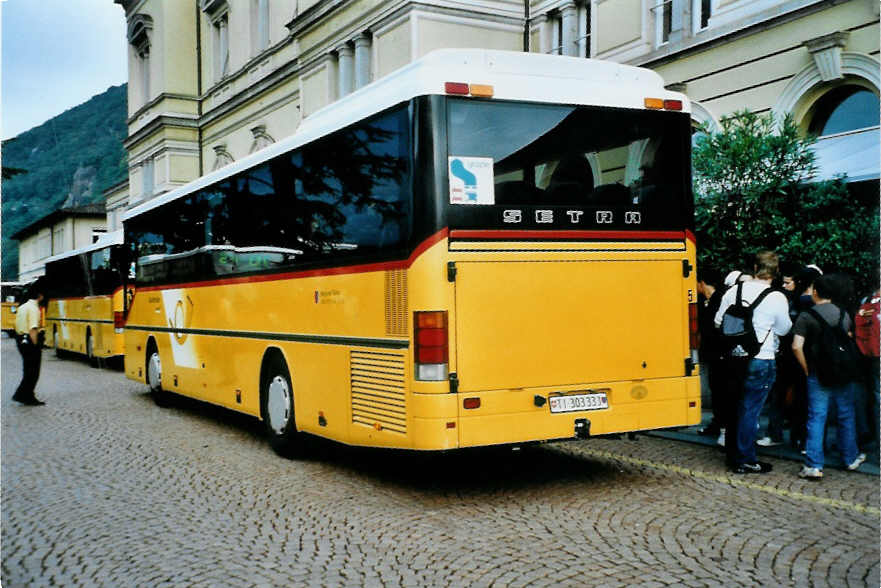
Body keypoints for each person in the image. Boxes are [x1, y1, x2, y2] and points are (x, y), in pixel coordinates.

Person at [715, 251, 792, 474]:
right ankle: (745, 458)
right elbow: (785, 329)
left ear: (754, 268)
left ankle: (733, 453)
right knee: (751, 409)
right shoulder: (777, 297)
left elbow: (719, 321)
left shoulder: (733, 291)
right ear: (776, 272)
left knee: (734, 406)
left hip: (734, 357)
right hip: (762, 357)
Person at [791, 274, 865, 479]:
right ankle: (850, 458)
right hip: (843, 372)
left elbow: (796, 346)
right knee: (846, 414)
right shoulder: (843, 314)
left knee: (816, 417)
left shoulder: (806, 316)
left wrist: (806, 369)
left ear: (815, 292)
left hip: (818, 373)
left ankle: (814, 465)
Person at [696, 267, 725, 438]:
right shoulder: (706, 300)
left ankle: (720, 424)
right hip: (711, 352)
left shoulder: (719, 300)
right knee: (715, 389)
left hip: (718, 353)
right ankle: (717, 422)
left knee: (719, 390)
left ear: (702, 283)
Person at [12, 280, 47, 406]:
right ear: (40, 295)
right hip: (29, 341)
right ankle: (24, 395)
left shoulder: (22, 307)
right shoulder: (34, 309)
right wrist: (36, 345)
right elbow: (33, 329)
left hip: (20, 339)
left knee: (27, 369)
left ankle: (24, 394)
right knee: (33, 371)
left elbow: (15, 325)